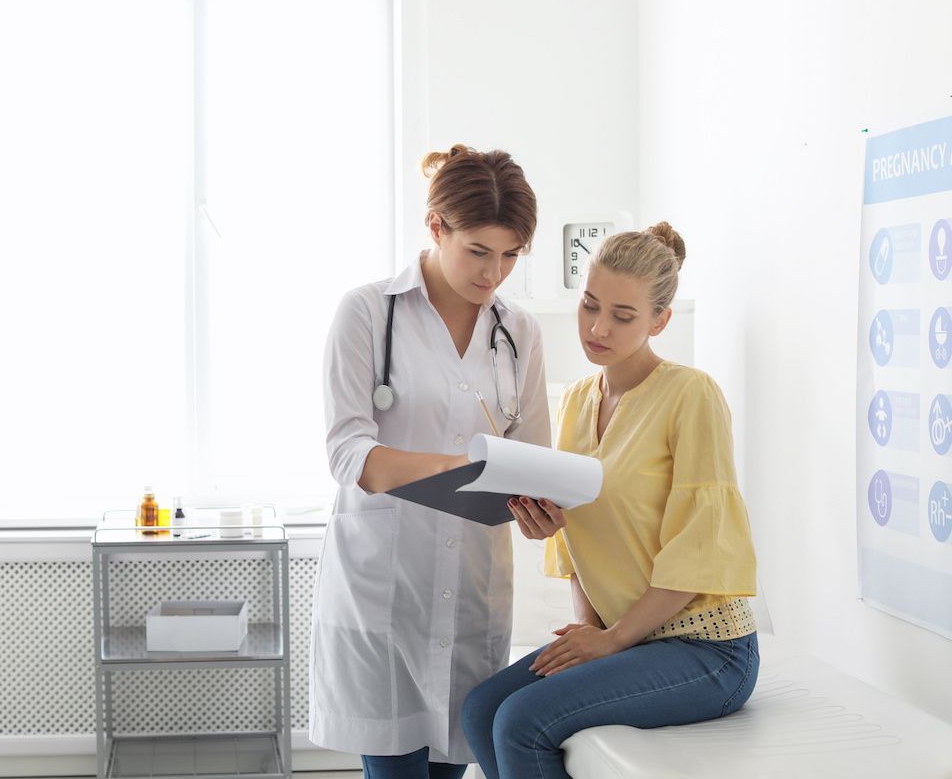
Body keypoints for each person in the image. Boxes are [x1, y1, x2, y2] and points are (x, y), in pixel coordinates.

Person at [460, 222, 760, 779]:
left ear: (659, 322)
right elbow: (578, 532)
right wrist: (545, 530)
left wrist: (613, 641)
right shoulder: (576, 401)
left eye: (623, 317)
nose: (598, 328)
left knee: (520, 722)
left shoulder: (691, 395)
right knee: (481, 710)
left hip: (706, 650)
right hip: (628, 638)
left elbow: (700, 545)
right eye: (590, 305)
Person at [311, 145, 552, 778]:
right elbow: (347, 451)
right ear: (437, 226)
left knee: (453, 765)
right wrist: (456, 468)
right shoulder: (367, 312)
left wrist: (541, 508)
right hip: (385, 588)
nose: (493, 272)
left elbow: (530, 456)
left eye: (510, 255)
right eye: (478, 250)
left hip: (473, 587)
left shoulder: (518, 332)